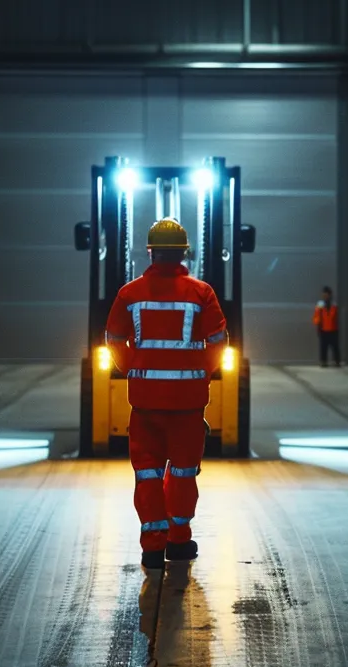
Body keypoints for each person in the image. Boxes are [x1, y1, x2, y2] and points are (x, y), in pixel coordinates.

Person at [104, 217, 228, 572]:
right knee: (184, 473)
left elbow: (113, 339)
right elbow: (218, 343)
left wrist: (134, 370)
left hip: (144, 403)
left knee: (147, 474)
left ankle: (152, 548)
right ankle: (178, 540)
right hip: (188, 403)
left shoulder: (129, 294)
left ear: (151, 252)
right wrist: (199, 373)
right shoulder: (201, 293)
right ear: (184, 252)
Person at [314, 287, 340, 367]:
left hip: (333, 329)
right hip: (323, 329)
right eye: (323, 295)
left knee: (335, 347)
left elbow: (335, 317)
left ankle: (337, 361)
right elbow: (316, 316)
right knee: (323, 347)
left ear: (329, 295)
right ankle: (323, 362)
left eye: (326, 294)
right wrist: (318, 326)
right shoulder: (320, 305)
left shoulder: (334, 304)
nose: (324, 296)